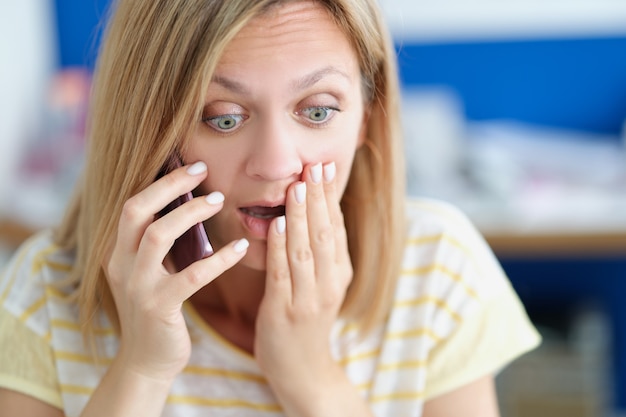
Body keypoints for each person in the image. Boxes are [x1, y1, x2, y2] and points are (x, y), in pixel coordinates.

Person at [0, 0, 541, 416]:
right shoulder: (45, 292)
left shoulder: (437, 267)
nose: (276, 164)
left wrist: (311, 376)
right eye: (225, 118)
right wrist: (141, 369)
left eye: (318, 111)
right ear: (149, 131)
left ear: (367, 120)